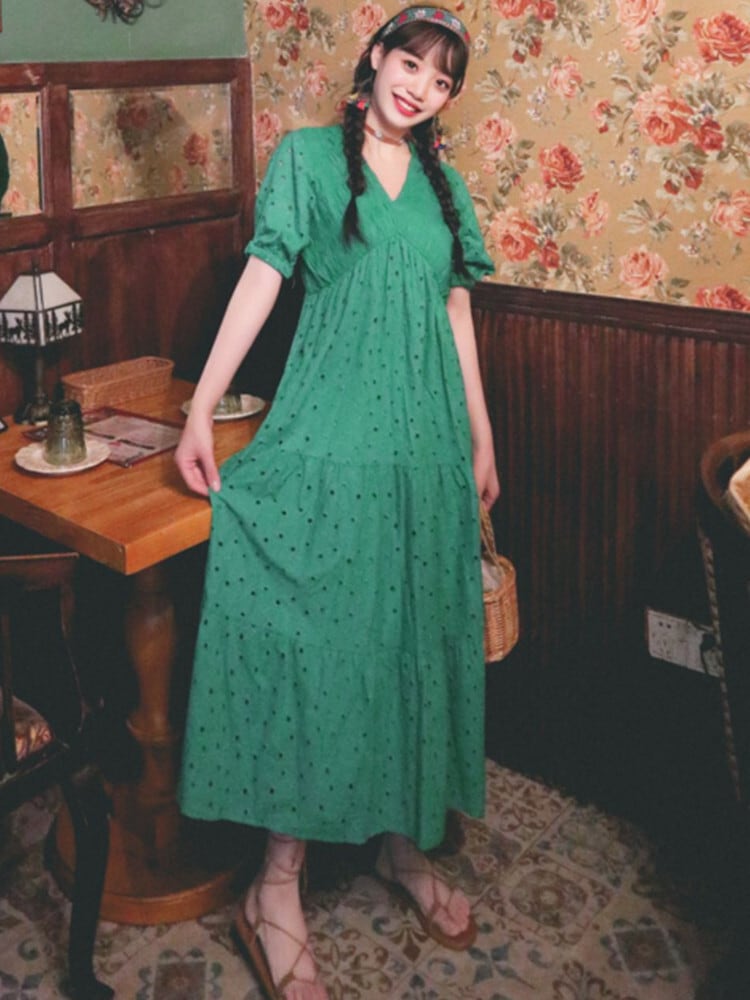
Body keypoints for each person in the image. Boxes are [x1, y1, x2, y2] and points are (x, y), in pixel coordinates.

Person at [175, 6, 499, 999]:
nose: (420, 89)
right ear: (376, 57)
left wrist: (482, 434)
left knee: (412, 638)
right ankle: (275, 885)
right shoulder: (309, 159)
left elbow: (456, 307)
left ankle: (401, 842)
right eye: (411, 64)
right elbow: (263, 275)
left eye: (441, 81)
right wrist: (199, 406)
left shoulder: (444, 187)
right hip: (332, 439)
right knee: (320, 641)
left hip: (426, 450)